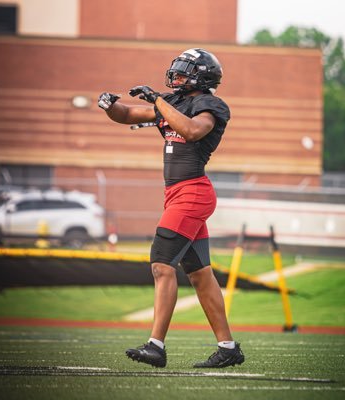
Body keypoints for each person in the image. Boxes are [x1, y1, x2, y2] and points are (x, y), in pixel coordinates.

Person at [98, 48, 245, 368]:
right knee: (200, 275)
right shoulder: (172, 103)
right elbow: (128, 115)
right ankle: (228, 347)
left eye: (184, 71)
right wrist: (110, 105)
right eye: (176, 70)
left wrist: (157, 100)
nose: (176, 76)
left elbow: (192, 131)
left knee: (161, 265)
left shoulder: (211, 105)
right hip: (178, 194)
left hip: (192, 193)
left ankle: (156, 345)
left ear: (202, 76)